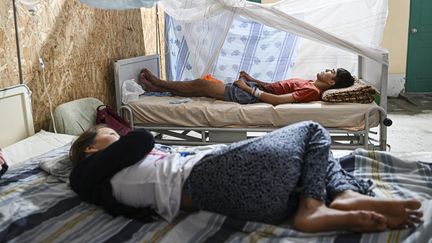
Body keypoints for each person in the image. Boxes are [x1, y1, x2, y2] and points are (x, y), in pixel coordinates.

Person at [69, 121, 423, 233]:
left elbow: (139, 146)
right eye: (110, 134)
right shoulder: (87, 174)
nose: (118, 135)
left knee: (310, 157)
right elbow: (143, 138)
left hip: (254, 199)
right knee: (313, 131)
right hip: (210, 179)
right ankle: (320, 203)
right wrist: (124, 140)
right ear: (90, 149)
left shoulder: (107, 176)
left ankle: (339, 195)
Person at [139, 68, 355, 105]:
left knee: (200, 85)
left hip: (251, 97)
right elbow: (276, 87)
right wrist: (253, 79)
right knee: (199, 88)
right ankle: (160, 89)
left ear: (331, 82)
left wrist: (246, 87)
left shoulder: (312, 91)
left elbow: (277, 100)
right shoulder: (309, 83)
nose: (327, 69)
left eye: (331, 71)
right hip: (254, 89)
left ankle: (159, 83)